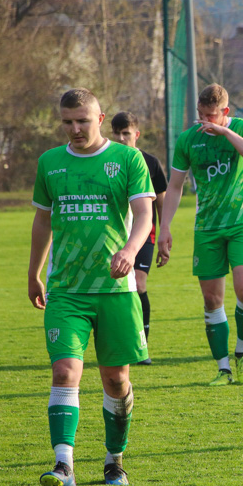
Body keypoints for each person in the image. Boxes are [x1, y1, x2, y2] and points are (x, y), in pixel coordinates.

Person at [29, 88, 155, 486]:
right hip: (66, 289)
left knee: (116, 381)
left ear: (100, 119)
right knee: (65, 371)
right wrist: (35, 272)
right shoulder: (50, 163)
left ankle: (114, 460)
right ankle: (63, 465)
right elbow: (43, 223)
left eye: (82, 120)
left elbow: (143, 213)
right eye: (67, 122)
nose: (75, 128)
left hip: (116, 291)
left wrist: (131, 250)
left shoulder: (127, 159)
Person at [157, 84, 243, 386]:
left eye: (211, 116)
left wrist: (226, 134)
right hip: (206, 228)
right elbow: (176, 186)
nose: (205, 121)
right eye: (201, 115)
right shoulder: (188, 141)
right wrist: (164, 228)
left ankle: (242, 353)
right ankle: (223, 369)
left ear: (225, 113)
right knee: (211, 300)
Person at [111, 112, 168, 363]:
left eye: (127, 133)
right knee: (117, 289)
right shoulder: (107, 161)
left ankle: (141, 342)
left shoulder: (151, 163)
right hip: (114, 235)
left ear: (137, 134)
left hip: (145, 234)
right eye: (117, 133)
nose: (122, 138)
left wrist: (165, 233)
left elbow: (162, 203)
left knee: (139, 284)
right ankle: (120, 341)